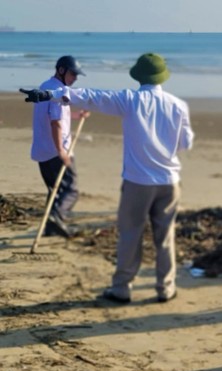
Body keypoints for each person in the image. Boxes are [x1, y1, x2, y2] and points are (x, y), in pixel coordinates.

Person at [21, 53, 195, 304]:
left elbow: (92, 96)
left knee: (130, 234)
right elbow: (185, 143)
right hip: (169, 181)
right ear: (162, 77)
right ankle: (166, 288)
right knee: (165, 237)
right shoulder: (178, 105)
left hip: (138, 182)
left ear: (139, 77)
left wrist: (50, 95)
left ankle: (122, 288)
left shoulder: (130, 100)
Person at [29, 55, 90, 238]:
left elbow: (54, 115)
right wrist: (61, 152)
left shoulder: (46, 87)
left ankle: (50, 228)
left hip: (42, 150)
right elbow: (55, 123)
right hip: (55, 150)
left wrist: (76, 116)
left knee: (54, 191)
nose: (75, 78)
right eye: (73, 74)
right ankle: (57, 218)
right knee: (71, 190)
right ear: (61, 70)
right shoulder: (58, 91)